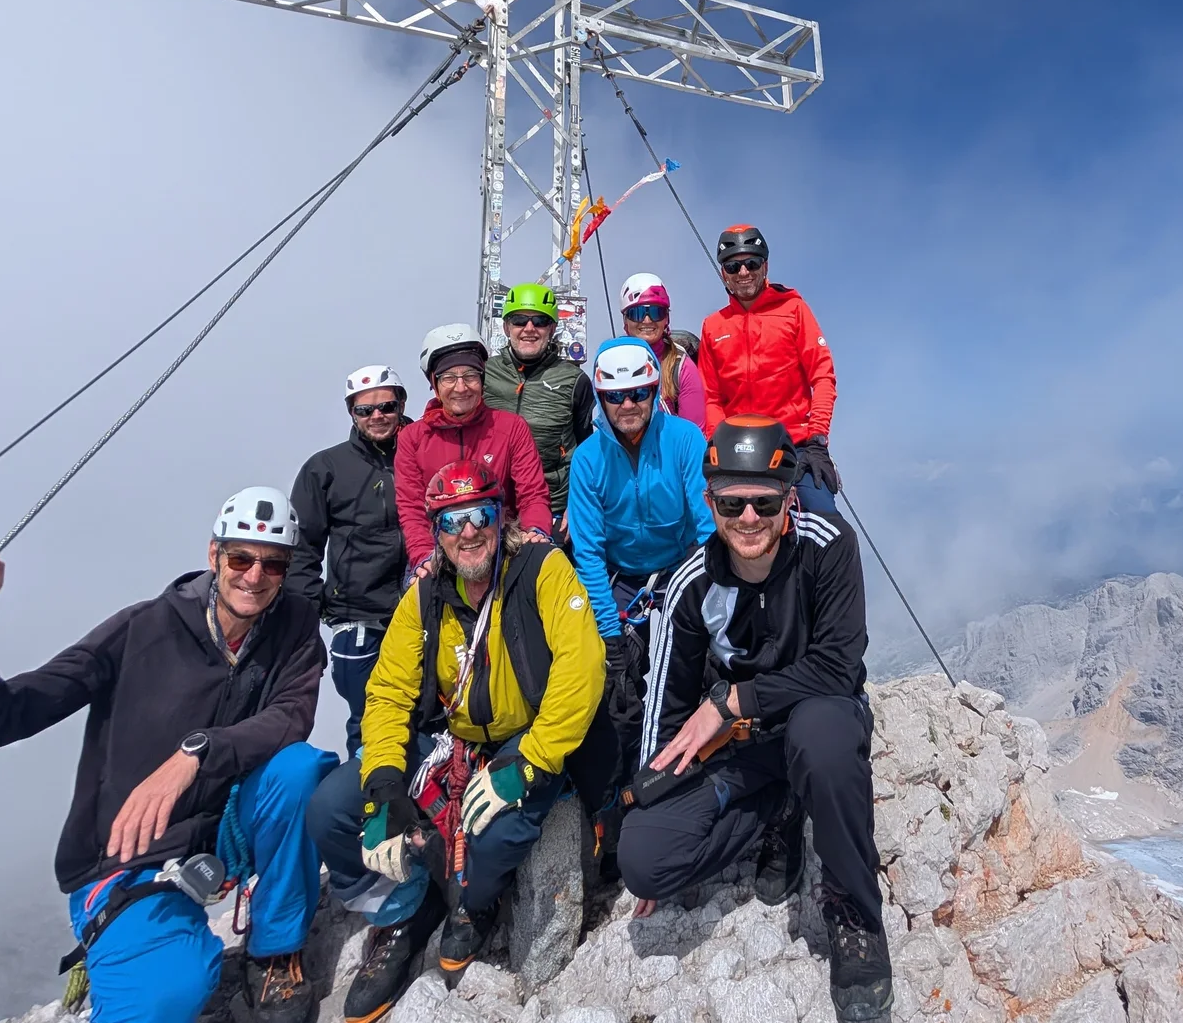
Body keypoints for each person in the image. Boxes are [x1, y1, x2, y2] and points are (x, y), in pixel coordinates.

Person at [0, 488, 334, 1023]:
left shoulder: (293, 628)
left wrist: (195, 754)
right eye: (241, 558)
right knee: (168, 996)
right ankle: (127, 951)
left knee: (300, 771)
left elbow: (289, 718)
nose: (255, 576)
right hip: (131, 855)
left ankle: (275, 952)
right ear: (213, 555)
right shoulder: (142, 630)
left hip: (221, 831)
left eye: (273, 564)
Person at [305, 460, 603, 1019]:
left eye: (480, 514)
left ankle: (473, 901)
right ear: (435, 531)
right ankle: (403, 911)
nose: (469, 531)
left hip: (526, 740)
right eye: (452, 520)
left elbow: (582, 665)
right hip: (451, 742)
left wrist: (532, 763)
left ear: (501, 516)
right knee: (329, 810)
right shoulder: (425, 597)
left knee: (487, 848)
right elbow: (389, 691)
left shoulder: (541, 569)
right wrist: (385, 787)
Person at [617, 417, 890, 1023]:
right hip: (744, 752)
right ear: (710, 501)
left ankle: (854, 914)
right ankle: (782, 809)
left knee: (818, 737)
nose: (747, 518)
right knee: (642, 859)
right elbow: (667, 705)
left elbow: (839, 667)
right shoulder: (690, 583)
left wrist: (733, 701)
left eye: (764, 501)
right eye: (731, 502)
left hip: (819, 721)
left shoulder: (828, 545)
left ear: (788, 496)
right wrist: (649, 796)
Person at [566, 338, 713, 807]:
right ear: (602, 399)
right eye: (615, 396)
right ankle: (617, 799)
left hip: (681, 568)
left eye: (638, 393)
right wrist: (610, 638)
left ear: (654, 391)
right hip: (623, 580)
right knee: (617, 692)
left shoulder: (685, 440)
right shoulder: (589, 459)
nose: (628, 405)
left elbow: (707, 526)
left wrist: (708, 597)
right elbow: (588, 552)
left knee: (696, 670)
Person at [290, 363, 413, 753]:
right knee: (368, 718)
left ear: (401, 404)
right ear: (352, 413)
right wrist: (304, 628)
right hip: (357, 615)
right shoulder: (325, 468)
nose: (377, 416)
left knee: (425, 716)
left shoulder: (423, 453)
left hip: (422, 608)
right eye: (365, 410)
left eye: (387, 407)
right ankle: (367, 804)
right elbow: (302, 552)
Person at [698, 225, 842, 514]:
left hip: (794, 445)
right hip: (736, 450)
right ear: (723, 273)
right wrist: (716, 445)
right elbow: (711, 397)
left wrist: (817, 440)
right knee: (716, 528)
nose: (743, 273)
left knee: (827, 525)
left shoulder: (793, 310)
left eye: (751, 263)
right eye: (733, 266)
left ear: (765, 266)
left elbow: (823, 377)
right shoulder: (713, 327)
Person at [396, 323, 552, 571]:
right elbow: (412, 509)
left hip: (501, 547)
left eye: (470, 376)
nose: (461, 387)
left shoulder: (511, 428)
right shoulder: (413, 439)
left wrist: (535, 530)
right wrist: (423, 557)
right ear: (433, 384)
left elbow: (532, 493)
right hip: (442, 552)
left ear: (482, 379)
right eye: (448, 377)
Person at [483, 282, 595, 524]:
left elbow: (588, 449)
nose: (529, 329)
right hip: (491, 505)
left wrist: (578, 504)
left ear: (552, 328)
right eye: (520, 320)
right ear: (506, 327)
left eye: (540, 321)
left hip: (552, 504)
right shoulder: (483, 373)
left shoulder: (574, 380)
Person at [618, 272, 705, 424]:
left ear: (666, 319)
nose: (647, 320)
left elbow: (694, 435)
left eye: (655, 312)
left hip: (670, 447)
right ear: (626, 321)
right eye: (637, 313)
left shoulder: (681, 368)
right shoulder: (612, 364)